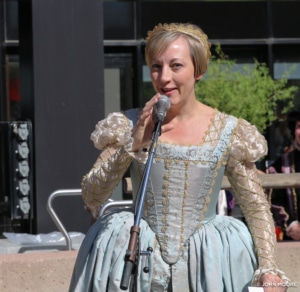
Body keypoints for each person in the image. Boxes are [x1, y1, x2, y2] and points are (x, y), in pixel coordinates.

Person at [69, 23, 290, 291]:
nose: (164, 78)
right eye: (156, 66)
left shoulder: (229, 131)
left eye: (176, 66)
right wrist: (134, 143)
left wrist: (268, 268)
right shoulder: (128, 124)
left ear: (198, 70)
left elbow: (255, 207)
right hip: (136, 261)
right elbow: (92, 196)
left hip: (209, 262)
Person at [267, 108, 300, 241]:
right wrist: (291, 224)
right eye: (299, 126)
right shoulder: (281, 165)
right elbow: (274, 201)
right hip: (293, 238)